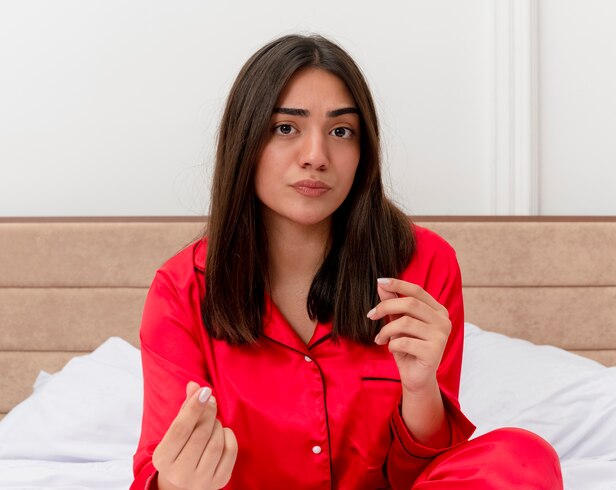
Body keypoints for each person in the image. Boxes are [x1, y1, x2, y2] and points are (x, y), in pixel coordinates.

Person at [131, 34, 563, 490]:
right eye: (285, 128)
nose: (316, 157)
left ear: (363, 151)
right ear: (245, 141)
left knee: (521, 455)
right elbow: (155, 471)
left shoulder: (425, 264)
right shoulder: (181, 289)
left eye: (341, 131)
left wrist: (420, 388)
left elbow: (425, 477)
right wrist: (175, 483)